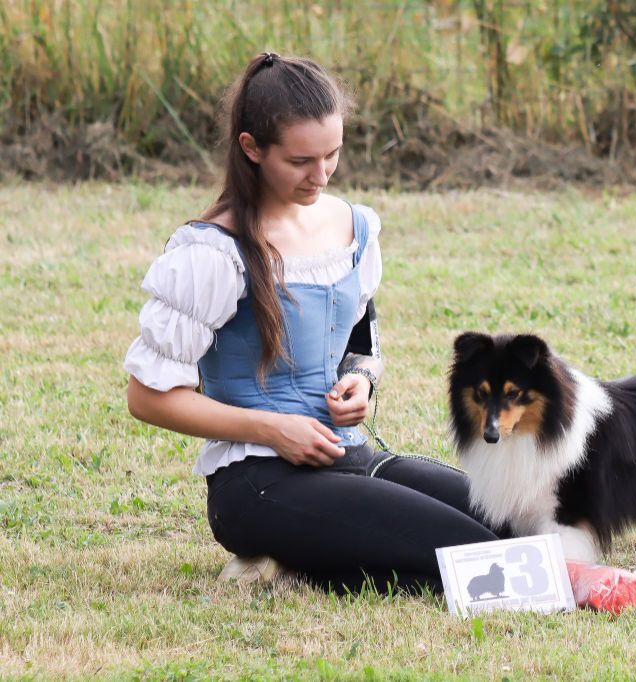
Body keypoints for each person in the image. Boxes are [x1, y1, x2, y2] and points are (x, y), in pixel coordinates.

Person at [124, 52, 500, 595]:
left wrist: (360, 382)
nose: (320, 175)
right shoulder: (213, 252)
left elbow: (359, 338)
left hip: (349, 456)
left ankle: (297, 565)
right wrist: (273, 428)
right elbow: (147, 398)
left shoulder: (353, 225)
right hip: (258, 480)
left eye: (332, 155)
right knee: (471, 551)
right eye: (300, 161)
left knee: (509, 519)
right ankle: (294, 560)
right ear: (251, 148)